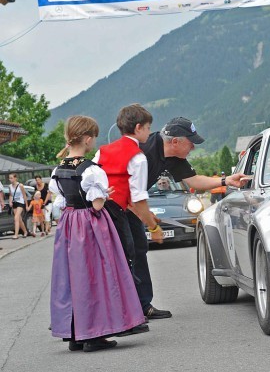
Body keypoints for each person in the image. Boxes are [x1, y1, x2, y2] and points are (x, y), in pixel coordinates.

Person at [134, 117, 249, 318]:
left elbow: (194, 180)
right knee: (126, 253)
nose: (194, 147)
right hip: (114, 206)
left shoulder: (174, 157)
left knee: (138, 250)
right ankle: (126, 312)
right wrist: (151, 224)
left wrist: (225, 180)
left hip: (132, 204)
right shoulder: (142, 151)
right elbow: (126, 191)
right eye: (191, 141)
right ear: (175, 142)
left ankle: (143, 307)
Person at [50, 115, 145, 353]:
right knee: (95, 276)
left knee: (72, 277)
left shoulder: (58, 169)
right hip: (90, 225)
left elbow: (62, 202)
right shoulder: (91, 170)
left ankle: (75, 334)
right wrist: (105, 194)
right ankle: (94, 334)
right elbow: (97, 206)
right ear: (88, 138)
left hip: (69, 224)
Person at [94, 104, 163, 324]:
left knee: (112, 261)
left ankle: (126, 309)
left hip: (100, 212)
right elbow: (138, 199)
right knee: (129, 258)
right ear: (139, 127)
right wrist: (153, 226)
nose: (150, 133)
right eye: (148, 127)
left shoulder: (102, 151)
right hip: (120, 213)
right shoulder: (138, 157)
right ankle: (133, 312)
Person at [8, 173, 33, 239]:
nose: (10, 179)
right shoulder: (10, 186)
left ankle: (16, 235)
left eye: (11, 178)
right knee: (19, 219)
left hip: (20, 202)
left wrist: (27, 205)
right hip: (14, 202)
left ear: (15, 178)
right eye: (9, 178)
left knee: (16, 217)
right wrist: (10, 201)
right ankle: (25, 231)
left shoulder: (20, 185)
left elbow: (24, 195)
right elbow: (11, 195)